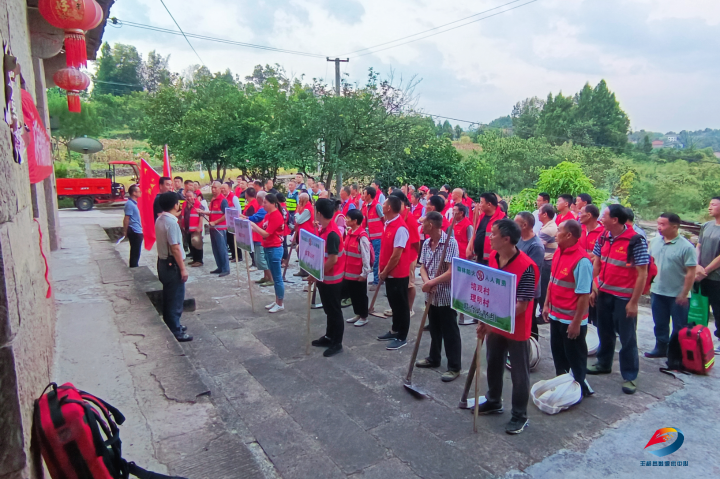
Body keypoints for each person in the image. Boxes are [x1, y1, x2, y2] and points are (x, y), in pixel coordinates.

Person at [475, 219, 538, 435]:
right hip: (494, 321)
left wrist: (493, 323)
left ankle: (519, 415)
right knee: (493, 361)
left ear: (506, 239)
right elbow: (490, 290)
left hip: (516, 326)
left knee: (519, 372)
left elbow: (521, 305)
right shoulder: (493, 257)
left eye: (493, 234)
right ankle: (494, 400)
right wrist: (484, 318)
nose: (489, 237)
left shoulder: (527, 267)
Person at [588, 204, 649, 395]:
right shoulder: (603, 236)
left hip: (624, 297)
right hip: (604, 293)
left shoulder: (636, 240)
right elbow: (597, 263)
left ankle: (630, 376)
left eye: (604, 216)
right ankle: (604, 363)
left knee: (627, 337)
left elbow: (642, 274)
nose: (601, 219)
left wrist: (633, 302)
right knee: (604, 331)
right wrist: (593, 288)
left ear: (615, 220)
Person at [543, 220, 593, 398]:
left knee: (575, 356)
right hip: (556, 314)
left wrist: (576, 323)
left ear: (569, 235)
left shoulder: (582, 261)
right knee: (558, 353)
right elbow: (552, 281)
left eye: (559, 231)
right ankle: (562, 384)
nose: (556, 234)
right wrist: (547, 304)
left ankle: (578, 388)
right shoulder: (559, 252)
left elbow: (584, 295)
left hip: (571, 319)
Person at [416, 211, 462, 382]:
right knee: (434, 329)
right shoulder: (427, 243)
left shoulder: (450, 243)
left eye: (424, 223)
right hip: (431, 294)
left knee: (450, 331)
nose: (422, 226)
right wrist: (427, 282)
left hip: (445, 295)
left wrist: (433, 282)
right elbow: (422, 267)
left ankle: (454, 367)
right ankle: (434, 358)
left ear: (431, 225)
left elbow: (452, 271)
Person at [646, 213, 697, 358]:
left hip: (677, 294)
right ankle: (661, 347)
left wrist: (684, 293)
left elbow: (690, 273)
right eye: (658, 223)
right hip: (658, 290)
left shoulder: (686, 247)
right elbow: (649, 266)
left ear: (674, 227)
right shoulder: (655, 242)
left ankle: (677, 353)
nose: (659, 227)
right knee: (660, 323)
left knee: (679, 326)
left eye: (663, 224)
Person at [309, 198, 347, 357]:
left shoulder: (332, 233)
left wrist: (317, 273)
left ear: (318, 213)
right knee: (329, 310)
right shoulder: (324, 229)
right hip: (325, 279)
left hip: (332, 280)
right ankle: (329, 336)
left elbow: (333, 259)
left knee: (334, 311)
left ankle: (337, 343)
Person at [376, 196, 413, 350]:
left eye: (384, 204)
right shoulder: (388, 224)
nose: (382, 205)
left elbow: (396, 255)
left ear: (389, 208)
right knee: (393, 304)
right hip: (388, 273)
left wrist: (385, 271)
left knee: (401, 306)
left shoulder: (400, 228)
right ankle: (394, 330)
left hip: (397, 274)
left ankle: (402, 336)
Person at [155, 192, 192, 342]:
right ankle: (176, 329)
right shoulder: (171, 223)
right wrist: (183, 268)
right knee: (175, 298)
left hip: (163, 262)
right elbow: (175, 247)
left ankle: (172, 323)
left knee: (169, 295)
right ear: (175, 204)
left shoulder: (160, 219)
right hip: (172, 264)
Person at [248, 194, 286, 313]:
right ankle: (277, 300)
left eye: (265, 202)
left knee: (277, 278)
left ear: (273, 203)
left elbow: (266, 233)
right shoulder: (268, 215)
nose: (263, 204)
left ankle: (280, 303)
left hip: (274, 248)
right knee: (275, 277)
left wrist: (253, 225)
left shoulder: (276, 216)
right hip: (268, 247)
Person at [387, 191, 421, 318]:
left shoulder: (409, 217)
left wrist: (416, 258)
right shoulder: (396, 216)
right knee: (398, 285)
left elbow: (416, 241)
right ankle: (398, 307)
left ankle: (409, 308)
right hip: (399, 256)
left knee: (409, 284)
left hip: (409, 256)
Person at [515, 212, 545, 338]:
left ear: (525, 225)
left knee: (530, 322)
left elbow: (532, 271)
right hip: (516, 286)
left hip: (529, 290)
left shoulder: (536, 246)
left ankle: (533, 350)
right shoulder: (518, 239)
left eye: (516, 222)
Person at [696, 197, 720, 347]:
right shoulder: (706, 226)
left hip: (716, 277)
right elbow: (698, 246)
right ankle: (698, 335)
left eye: (714, 205)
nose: (709, 207)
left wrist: (706, 270)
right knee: (699, 307)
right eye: (709, 204)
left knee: (718, 309)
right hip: (700, 275)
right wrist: (697, 266)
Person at [343, 209, 372, 326]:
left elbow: (366, 256)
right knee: (353, 294)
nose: (345, 220)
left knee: (360, 294)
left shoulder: (362, 236)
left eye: (348, 218)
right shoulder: (350, 233)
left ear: (355, 221)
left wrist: (365, 272)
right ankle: (358, 314)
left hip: (358, 273)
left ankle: (364, 316)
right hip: (349, 272)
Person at [467, 192, 506, 264]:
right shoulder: (481, 216)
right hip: (479, 257)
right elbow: (476, 233)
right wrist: (469, 247)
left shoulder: (502, 219)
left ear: (489, 204)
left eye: (481, 202)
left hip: (493, 260)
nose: (479, 205)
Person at [244, 191, 272, 286]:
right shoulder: (261, 208)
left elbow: (254, 218)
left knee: (261, 259)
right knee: (259, 259)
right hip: (257, 236)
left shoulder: (263, 209)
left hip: (260, 237)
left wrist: (244, 218)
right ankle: (266, 276)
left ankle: (270, 278)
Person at [205, 181, 230, 277]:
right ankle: (220, 266)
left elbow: (226, 215)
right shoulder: (213, 200)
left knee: (222, 248)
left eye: (215, 188)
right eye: (212, 188)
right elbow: (213, 213)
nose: (213, 190)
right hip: (213, 228)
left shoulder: (223, 200)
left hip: (220, 228)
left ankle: (225, 268)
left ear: (220, 189)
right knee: (215, 249)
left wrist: (215, 222)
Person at [538, 204, 558, 318]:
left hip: (547, 263)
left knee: (544, 288)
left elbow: (538, 247)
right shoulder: (547, 227)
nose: (538, 214)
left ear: (545, 214)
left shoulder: (548, 229)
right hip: (547, 262)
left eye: (540, 212)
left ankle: (544, 313)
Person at [362, 186, 384, 290]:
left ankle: (377, 280)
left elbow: (383, 219)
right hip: (372, 237)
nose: (363, 195)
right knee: (374, 258)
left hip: (378, 237)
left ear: (369, 195)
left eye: (364, 193)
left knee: (376, 259)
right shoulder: (367, 206)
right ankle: (377, 278)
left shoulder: (377, 206)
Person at [293, 193, 315, 278]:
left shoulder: (307, 209)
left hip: (307, 234)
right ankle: (303, 270)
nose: (299, 201)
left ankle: (307, 272)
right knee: (301, 251)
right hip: (302, 233)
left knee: (306, 253)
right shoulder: (304, 208)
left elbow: (299, 220)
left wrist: (297, 213)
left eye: (300, 199)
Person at [181, 189, 204, 266]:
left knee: (197, 244)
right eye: (187, 197)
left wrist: (199, 226)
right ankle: (194, 259)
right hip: (187, 228)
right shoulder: (184, 204)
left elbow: (201, 216)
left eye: (190, 196)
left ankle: (199, 260)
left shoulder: (198, 204)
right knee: (190, 244)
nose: (189, 198)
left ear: (194, 196)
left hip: (196, 228)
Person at [122, 185, 143, 268]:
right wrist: (125, 231)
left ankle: (134, 265)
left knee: (136, 250)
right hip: (135, 230)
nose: (140, 193)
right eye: (139, 191)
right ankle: (134, 266)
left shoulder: (134, 203)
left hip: (137, 229)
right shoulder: (130, 204)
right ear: (134, 193)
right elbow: (126, 218)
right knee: (135, 250)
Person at [220, 183, 240, 262]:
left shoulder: (233, 197)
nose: (223, 190)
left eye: (224, 188)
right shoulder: (222, 197)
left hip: (233, 221)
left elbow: (238, 209)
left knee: (234, 239)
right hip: (226, 222)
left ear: (229, 188)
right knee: (229, 239)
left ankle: (238, 256)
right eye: (222, 189)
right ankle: (233, 254)